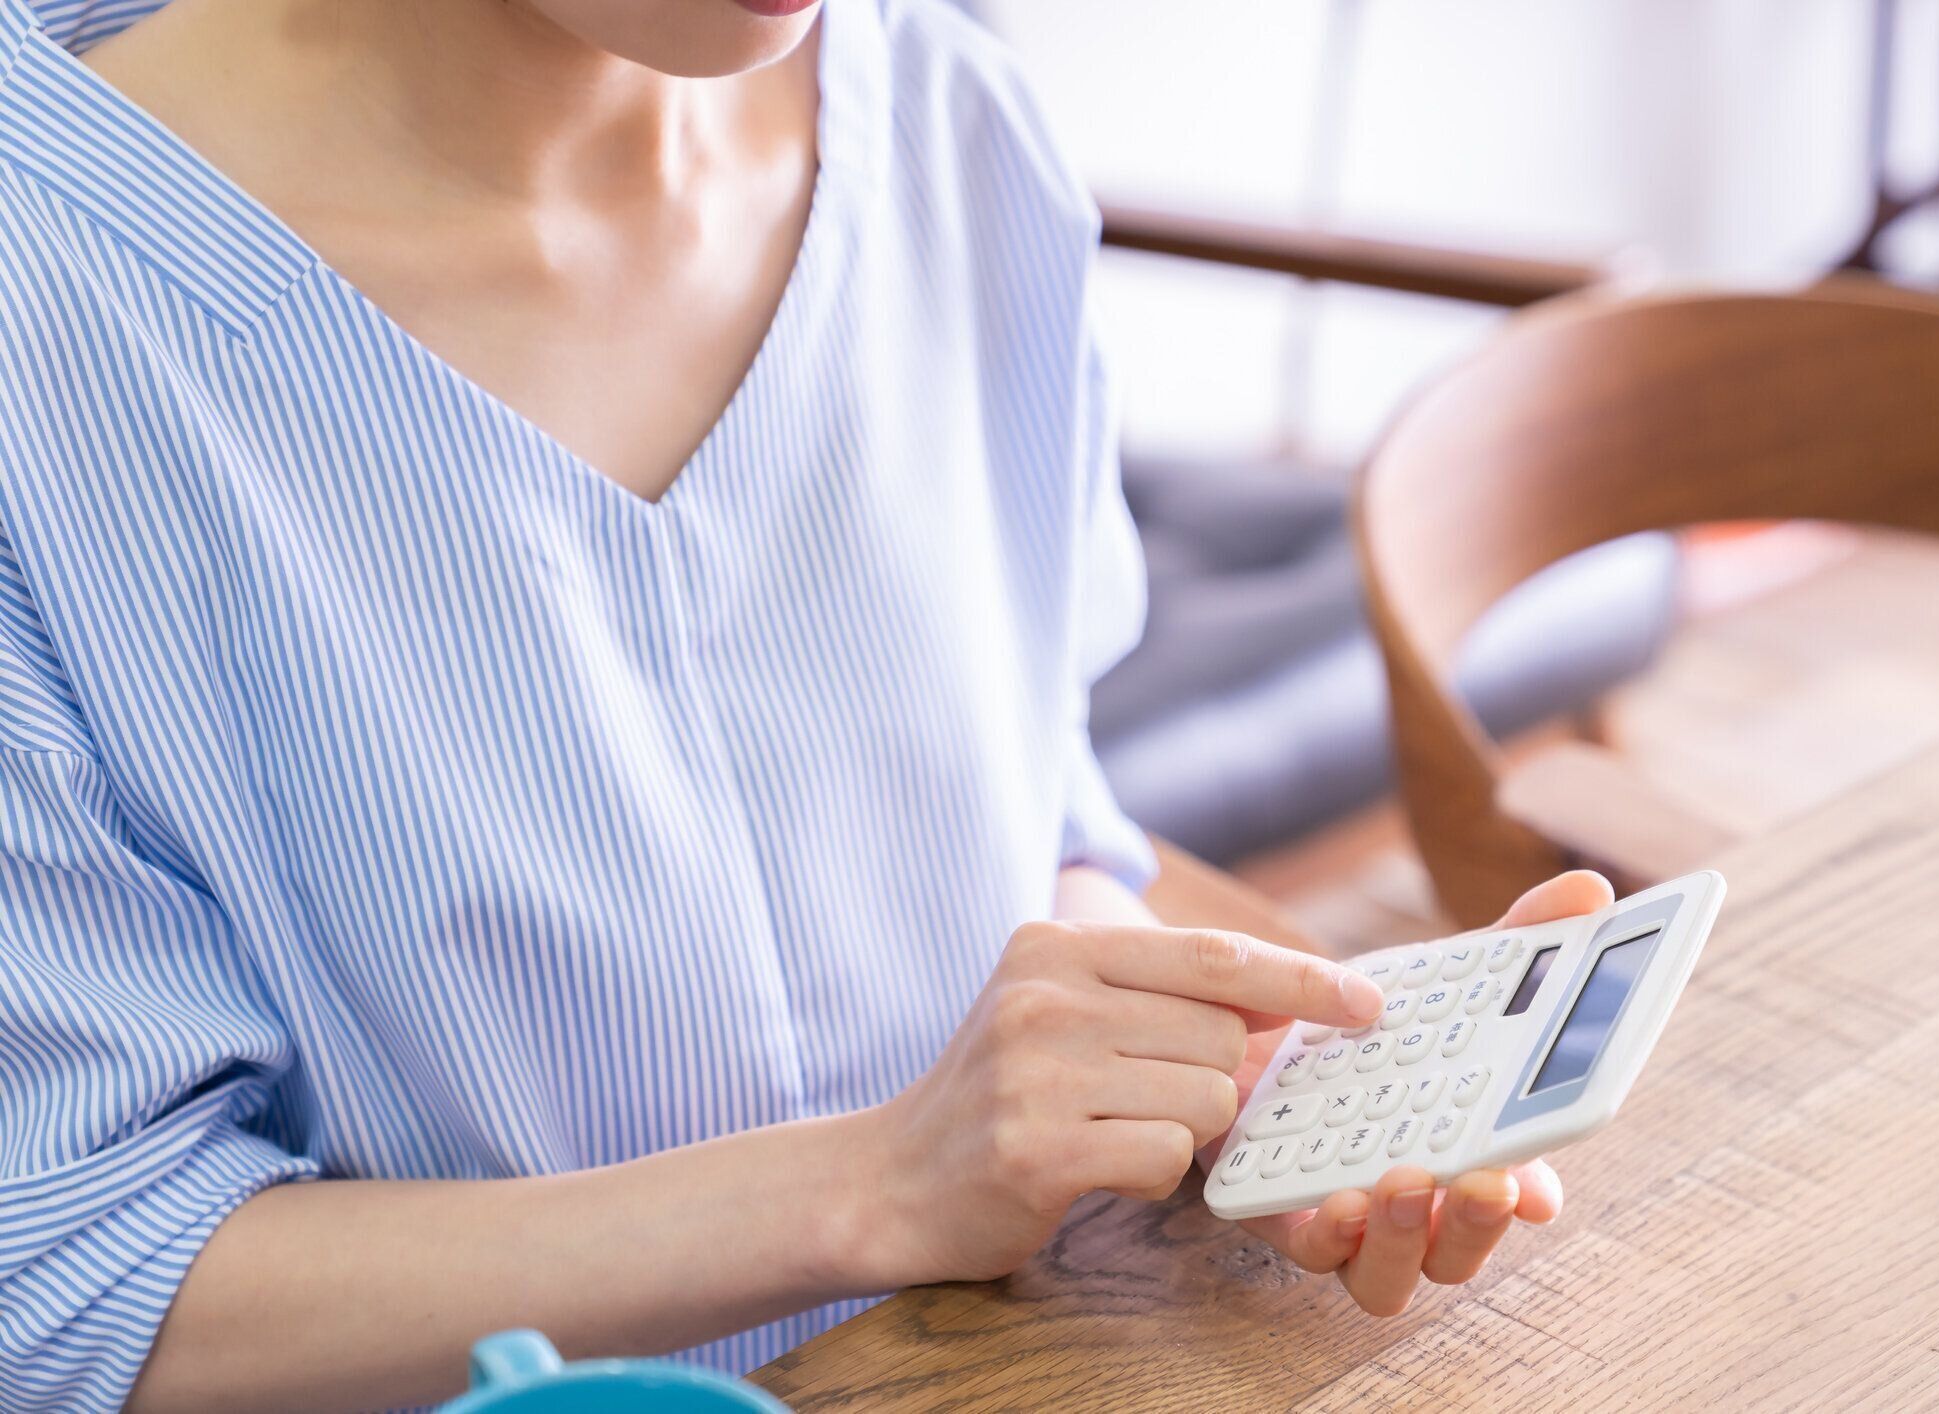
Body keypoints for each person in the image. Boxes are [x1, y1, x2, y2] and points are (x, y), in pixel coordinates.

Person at [0, 0, 1606, 1407]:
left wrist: (1201, 1073)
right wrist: (876, 1188)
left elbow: (1038, 819)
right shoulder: (51, 322)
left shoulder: (950, 127)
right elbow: (68, 1283)